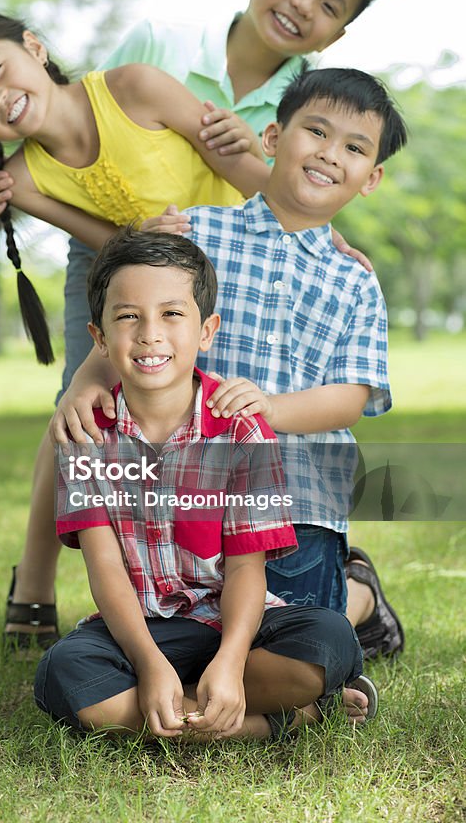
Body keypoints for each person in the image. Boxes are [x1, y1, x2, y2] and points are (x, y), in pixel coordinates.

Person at [0, 0, 400, 651]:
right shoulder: (160, 46)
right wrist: (6, 173)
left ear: (336, 35)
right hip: (115, 241)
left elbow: (296, 188)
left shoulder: (312, 99)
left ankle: (298, 582)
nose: (304, 5)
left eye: (330, 5)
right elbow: (71, 119)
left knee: (215, 426)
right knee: (85, 393)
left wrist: (333, 239)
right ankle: (35, 590)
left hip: (223, 257)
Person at [54, 68, 407, 672]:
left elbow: (351, 396)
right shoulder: (196, 234)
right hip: (191, 483)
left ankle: (358, 599)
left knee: (293, 632)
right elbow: (137, 324)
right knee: (187, 625)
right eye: (315, 132)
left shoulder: (355, 279)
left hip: (300, 494)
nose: (328, 153)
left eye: (353, 148)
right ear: (272, 137)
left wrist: (271, 408)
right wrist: (83, 388)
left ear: (370, 178)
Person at [34, 228, 374, 740]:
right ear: (100, 338)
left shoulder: (240, 428)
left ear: (206, 330)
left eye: (172, 314)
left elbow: (244, 569)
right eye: (128, 316)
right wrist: (149, 665)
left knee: (328, 641)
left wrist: (233, 663)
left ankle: (188, 705)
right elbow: (105, 569)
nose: (150, 334)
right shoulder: (87, 439)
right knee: (63, 674)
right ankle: (275, 722)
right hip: (146, 628)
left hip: (234, 620)